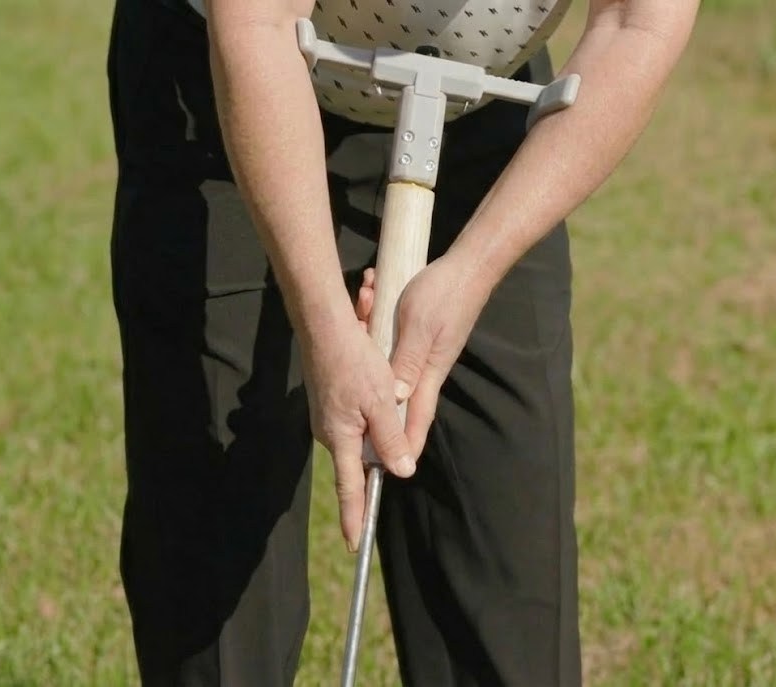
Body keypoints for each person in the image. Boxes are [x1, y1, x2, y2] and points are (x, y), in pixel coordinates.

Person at [106, 0, 699, 683]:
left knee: (509, 576)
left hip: (475, 98)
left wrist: (472, 268)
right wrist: (326, 324)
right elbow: (257, 28)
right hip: (231, 85)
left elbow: (637, 26)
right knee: (218, 562)